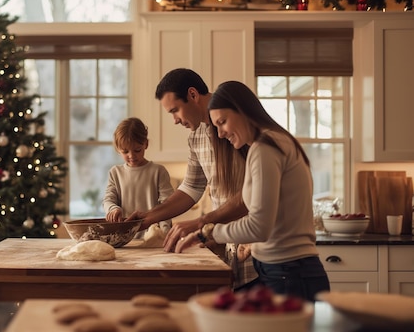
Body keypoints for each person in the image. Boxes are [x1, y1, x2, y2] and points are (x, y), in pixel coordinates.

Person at [177, 80, 330, 302]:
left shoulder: (265, 147)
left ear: (242, 110)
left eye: (222, 122)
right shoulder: (271, 142)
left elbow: (259, 226)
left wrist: (208, 232)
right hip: (285, 271)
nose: (219, 134)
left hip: (289, 273)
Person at [126, 68, 259, 290]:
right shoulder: (196, 137)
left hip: (257, 246)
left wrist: (202, 223)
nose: (175, 120)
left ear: (193, 95)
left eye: (175, 110)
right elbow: (191, 187)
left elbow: (252, 193)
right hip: (228, 246)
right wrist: (149, 216)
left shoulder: (241, 128)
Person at [103, 117, 174, 238]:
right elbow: (108, 200)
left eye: (137, 150)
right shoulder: (115, 173)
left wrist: (165, 233)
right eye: (125, 152)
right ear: (117, 149)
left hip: (153, 238)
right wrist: (113, 209)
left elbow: (166, 206)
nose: (131, 156)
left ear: (146, 144)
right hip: (124, 239)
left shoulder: (158, 171)